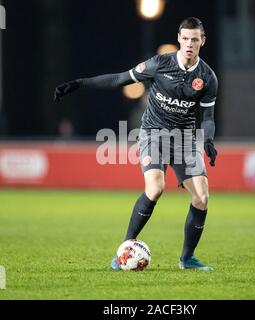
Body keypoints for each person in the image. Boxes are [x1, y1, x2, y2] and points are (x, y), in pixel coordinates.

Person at [54, 17, 218, 271]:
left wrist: (208, 139)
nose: (189, 44)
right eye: (185, 38)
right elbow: (119, 79)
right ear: (178, 38)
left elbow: (207, 117)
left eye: (194, 39)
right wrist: (79, 84)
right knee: (155, 188)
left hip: (184, 140)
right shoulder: (159, 64)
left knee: (202, 198)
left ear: (202, 41)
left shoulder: (207, 78)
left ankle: (187, 259)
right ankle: (124, 250)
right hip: (153, 134)